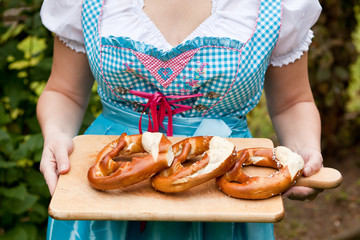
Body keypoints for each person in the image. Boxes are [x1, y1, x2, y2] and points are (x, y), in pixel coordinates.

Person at [37, 0, 324, 239]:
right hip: (110, 192)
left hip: (221, 187)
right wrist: (56, 133)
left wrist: (303, 151)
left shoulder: (278, 4)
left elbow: (292, 102)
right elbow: (64, 91)